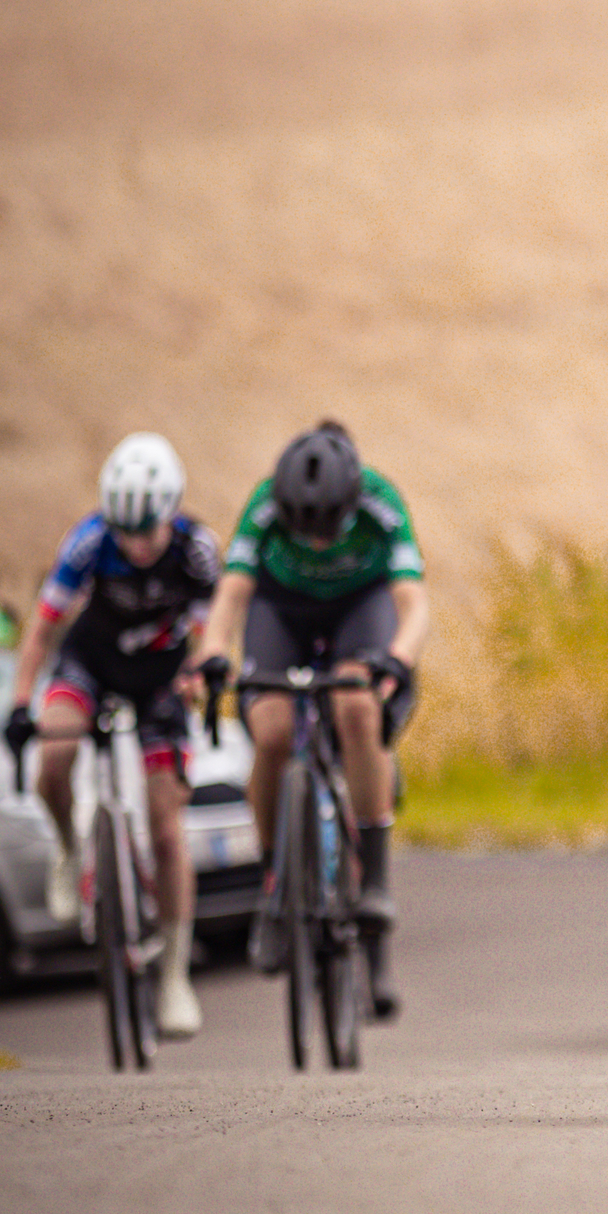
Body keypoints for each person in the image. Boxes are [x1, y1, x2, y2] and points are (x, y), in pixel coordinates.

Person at [198, 421, 428, 1022]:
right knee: (270, 730)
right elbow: (230, 597)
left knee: (356, 706)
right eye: (308, 531)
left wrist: (399, 658)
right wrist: (213, 653)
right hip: (284, 609)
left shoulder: (380, 500)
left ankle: (373, 879)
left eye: (329, 529)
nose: (320, 544)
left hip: (361, 608)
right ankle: (275, 883)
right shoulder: (264, 505)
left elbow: (412, 603)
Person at [5, 433, 220, 1042]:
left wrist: (199, 679)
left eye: (146, 531)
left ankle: (175, 974)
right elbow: (43, 630)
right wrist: (22, 703)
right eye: (124, 530)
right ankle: (70, 847)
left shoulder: (198, 551)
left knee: (168, 829)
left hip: (162, 678)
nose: (134, 543)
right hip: (91, 664)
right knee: (55, 755)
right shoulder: (88, 542)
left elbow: (212, 635)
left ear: (172, 512)